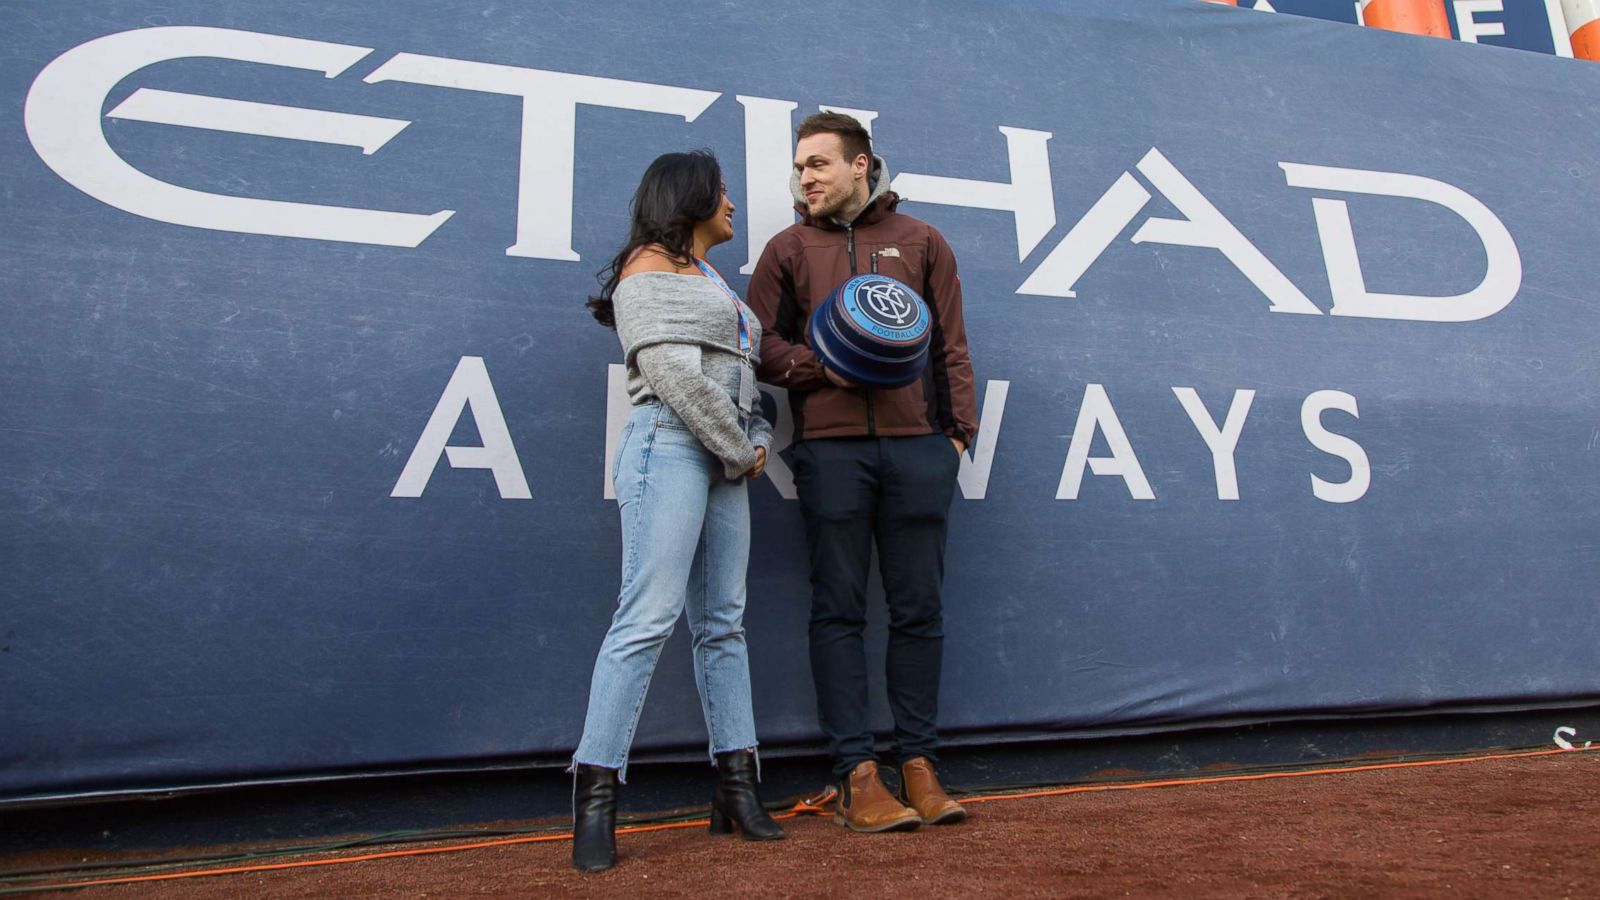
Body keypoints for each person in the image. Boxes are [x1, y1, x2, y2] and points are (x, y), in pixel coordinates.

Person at [748, 113, 978, 833]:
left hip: (918, 451)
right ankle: (856, 773)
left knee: (919, 611)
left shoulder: (922, 241)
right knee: (838, 610)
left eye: (818, 163)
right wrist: (828, 364)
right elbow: (756, 345)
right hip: (832, 453)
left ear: (861, 165)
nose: (805, 178)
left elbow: (952, 347)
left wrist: (956, 438)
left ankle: (919, 764)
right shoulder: (787, 248)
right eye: (798, 167)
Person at [571, 150, 784, 872]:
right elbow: (674, 379)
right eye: (721, 191)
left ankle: (736, 787)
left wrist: (754, 437)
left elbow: (739, 378)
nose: (732, 202)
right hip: (670, 448)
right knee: (646, 618)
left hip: (724, 457)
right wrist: (739, 449)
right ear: (689, 197)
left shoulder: (710, 277)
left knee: (723, 623)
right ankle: (595, 800)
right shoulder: (645, 271)